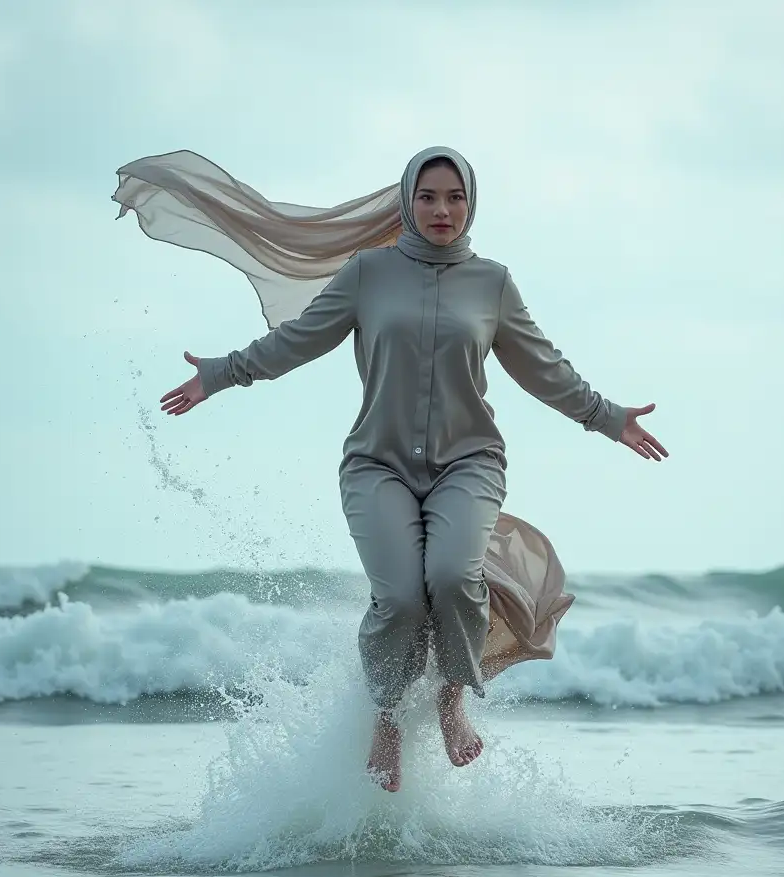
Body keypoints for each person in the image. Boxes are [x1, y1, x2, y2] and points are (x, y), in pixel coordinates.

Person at [113, 145, 668, 792]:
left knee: (453, 576)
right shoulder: (368, 273)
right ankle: (386, 716)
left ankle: (452, 697)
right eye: (428, 197)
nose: (442, 209)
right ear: (408, 201)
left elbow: (544, 368)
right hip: (378, 466)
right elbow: (298, 340)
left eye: (455, 197)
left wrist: (608, 417)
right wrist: (221, 373)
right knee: (401, 596)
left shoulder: (492, 283)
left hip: (468, 463)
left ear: (471, 204)